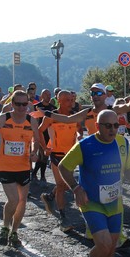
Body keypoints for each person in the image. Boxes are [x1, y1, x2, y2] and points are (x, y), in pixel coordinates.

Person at [58, 110, 130, 257]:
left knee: (112, 247)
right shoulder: (85, 146)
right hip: (91, 203)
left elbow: (128, 169)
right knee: (104, 245)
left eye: (116, 125)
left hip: (114, 202)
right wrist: (75, 188)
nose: (113, 129)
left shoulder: (123, 143)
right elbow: (63, 167)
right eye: (108, 126)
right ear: (97, 126)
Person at [0, 90, 41, 247]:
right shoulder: (3, 119)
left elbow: (36, 140)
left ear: (28, 105)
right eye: (17, 104)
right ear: (12, 104)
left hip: (24, 165)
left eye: (24, 104)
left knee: (22, 201)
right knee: (14, 199)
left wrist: (34, 152)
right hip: (4, 165)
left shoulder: (31, 121)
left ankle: (15, 231)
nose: (21, 107)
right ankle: (5, 226)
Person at [39, 90, 89, 230]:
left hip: (71, 155)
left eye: (71, 99)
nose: (70, 102)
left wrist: (79, 135)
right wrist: (44, 147)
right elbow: (39, 130)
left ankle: (49, 197)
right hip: (56, 154)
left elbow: (79, 128)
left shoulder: (74, 115)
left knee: (66, 184)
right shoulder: (52, 117)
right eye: (67, 100)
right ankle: (63, 219)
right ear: (59, 101)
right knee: (61, 185)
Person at [31, 89, 56, 181]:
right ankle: (41, 175)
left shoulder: (53, 108)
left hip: (49, 134)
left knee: (44, 156)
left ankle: (37, 174)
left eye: (49, 94)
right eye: (46, 94)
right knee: (42, 155)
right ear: (41, 96)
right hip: (38, 133)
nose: (48, 96)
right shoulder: (36, 107)